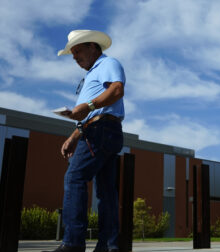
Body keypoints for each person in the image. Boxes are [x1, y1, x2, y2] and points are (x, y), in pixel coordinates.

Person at [45, 30, 126, 252]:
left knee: (74, 178)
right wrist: (74, 135)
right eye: (72, 53)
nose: (74, 57)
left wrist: (88, 106)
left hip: (100, 130)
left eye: (77, 51)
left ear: (93, 46)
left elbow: (117, 90)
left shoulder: (107, 64)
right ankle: (108, 246)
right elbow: (89, 115)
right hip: (102, 129)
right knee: (106, 190)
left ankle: (73, 243)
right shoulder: (91, 75)